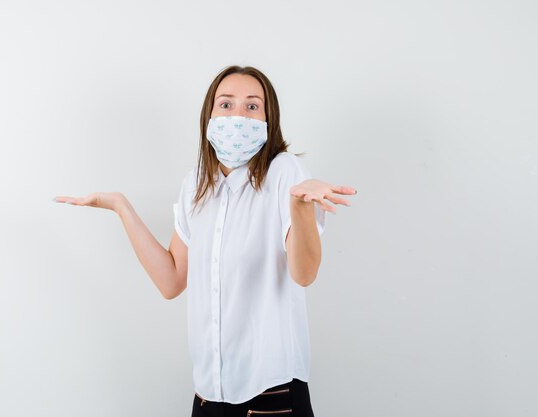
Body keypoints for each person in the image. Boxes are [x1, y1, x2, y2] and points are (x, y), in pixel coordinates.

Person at [53, 65, 357, 417]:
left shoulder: (284, 172)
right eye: (226, 105)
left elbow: (304, 274)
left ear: (268, 120)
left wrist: (300, 207)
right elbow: (171, 281)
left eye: (252, 106)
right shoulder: (196, 183)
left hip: (271, 396)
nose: (238, 115)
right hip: (208, 396)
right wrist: (122, 207)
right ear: (209, 116)